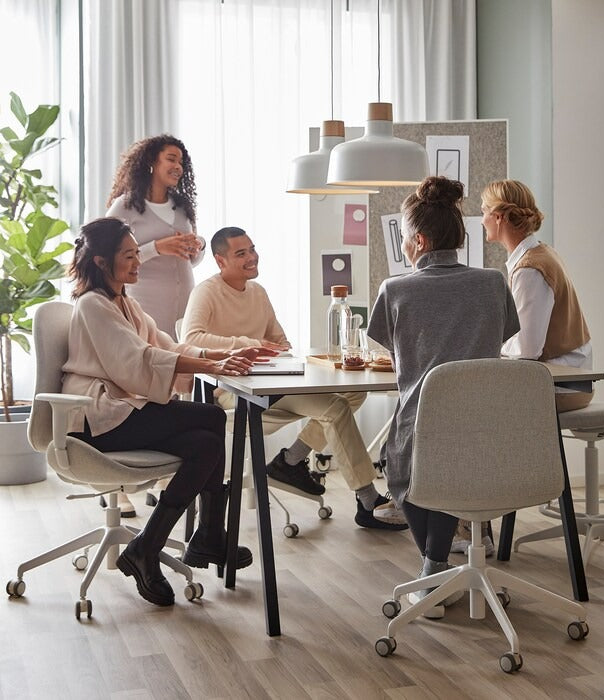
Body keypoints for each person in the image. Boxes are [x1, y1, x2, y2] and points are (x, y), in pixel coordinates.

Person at [62, 217, 274, 607]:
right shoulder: (94, 305)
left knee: (204, 445)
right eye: (128, 256)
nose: (137, 262)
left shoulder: (124, 302)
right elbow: (136, 360)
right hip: (97, 419)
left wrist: (222, 356)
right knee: (211, 418)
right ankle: (206, 537)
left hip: (123, 411)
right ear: (100, 262)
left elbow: (166, 345)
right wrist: (213, 367)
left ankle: (151, 545)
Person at [181, 226, 408, 531]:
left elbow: (278, 340)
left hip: (272, 383)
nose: (252, 257)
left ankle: (289, 461)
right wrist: (250, 344)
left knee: (354, 393)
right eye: (241, 253)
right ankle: (367, 500)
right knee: (336, 408)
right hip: (234, 391)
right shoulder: (207, 291)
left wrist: (278, 347)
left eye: (252, 249)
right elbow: (191, 338)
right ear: (221, 261)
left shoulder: (258, 293)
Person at [367, 176, 519, 618]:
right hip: (489, 426)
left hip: (423, 426)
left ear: (418, 239)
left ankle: (433, 571)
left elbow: (390, 347)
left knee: (406, 462)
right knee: (445, 459)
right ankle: (436, 569)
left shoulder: (395, 290)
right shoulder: (493, 283)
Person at [450, 179, 594, 557]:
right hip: (553, 377)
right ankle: (473, 521)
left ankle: (472, 523)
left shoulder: (530, 268)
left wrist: (488, 345)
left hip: (560, 385)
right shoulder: (536, 256)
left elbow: (528, 348)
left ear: (499, 217)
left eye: (483, 212)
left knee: (463, 414)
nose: (480, 220)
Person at [106, 134, 204, 517]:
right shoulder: (125, 207)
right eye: (171, 158)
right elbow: (106, 255)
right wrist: (155, 249)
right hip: (142, 304)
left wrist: (191, 250)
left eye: (181, 160)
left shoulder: (182, 207)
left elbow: (188, 262)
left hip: (183, 303)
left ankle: (163, 475)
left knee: (176, 387)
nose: (177, 166)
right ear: (151, 162)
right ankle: (118, 489)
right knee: (134, 387)